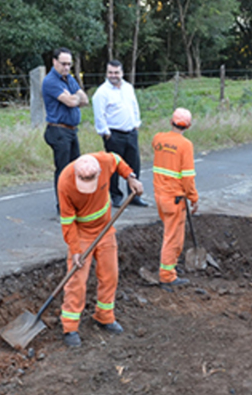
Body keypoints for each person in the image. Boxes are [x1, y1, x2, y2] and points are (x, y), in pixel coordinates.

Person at [57, 152, 144, 348]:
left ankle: (104, 316)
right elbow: (67, 221)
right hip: (81, 234)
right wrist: (75, 248)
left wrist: (131, 178)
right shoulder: (65, 181)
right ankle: (70, 327)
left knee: (109, 274)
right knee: (76, 280)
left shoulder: (104, 161)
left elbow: (119, 160)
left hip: (105, 230)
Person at [151, 108, 198, 288]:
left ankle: (170, 267)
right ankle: (167, 275)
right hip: (174, 198)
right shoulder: (185, 145)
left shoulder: (158, 138)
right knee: (172, 237)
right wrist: (193, 197)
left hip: (160, 196)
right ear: (188, 126)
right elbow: (187, 177)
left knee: (170, 234)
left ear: (171, 122)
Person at [92, 60, 147, 208]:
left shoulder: (128, 87)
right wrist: (105, 133)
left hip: (131, 132)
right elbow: (99, 115)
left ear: (122, 73)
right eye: (110, 72)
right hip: (114, 134)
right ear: (106, 73)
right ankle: (115, 196)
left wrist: (136, 124)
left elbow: (134, 106)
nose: (113, 75)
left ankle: (134, 195)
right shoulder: (102, 92)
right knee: (114, 168)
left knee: (134, 165)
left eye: (116, 72)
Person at [42, 47, 89, 212]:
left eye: (69, 64)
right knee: (63, 170)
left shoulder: (69, 79)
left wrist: (73, 97)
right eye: (63, 64)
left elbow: (85, 100)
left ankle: (73, 202)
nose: (66, 67)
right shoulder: (51, 81)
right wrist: (74, 98)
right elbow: (71, 102)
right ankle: (62, 206)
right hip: (58, 130)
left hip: (71, 130)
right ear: (54, 62)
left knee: (75, 169)